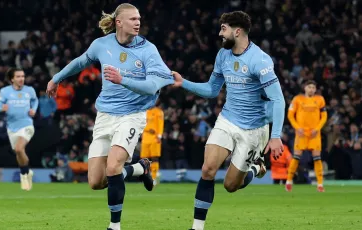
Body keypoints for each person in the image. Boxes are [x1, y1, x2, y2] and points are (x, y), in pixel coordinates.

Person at [45, 3, 178, 230]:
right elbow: (81, 61)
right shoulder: (101, 45)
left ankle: (114, 226)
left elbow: (153, 86)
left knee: (114, 167)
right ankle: (140, 168)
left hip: (132, 115)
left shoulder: (148, 50)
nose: (138, 22)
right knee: (96, 182)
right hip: (105, 115)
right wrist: (56, 78)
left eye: (139, 19)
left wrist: (122, 80)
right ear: (119, 22)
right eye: (133, 19)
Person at [171, 11, 285, 230]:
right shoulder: (223, 56)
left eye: (223, 29)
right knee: (208, 169)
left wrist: (276, 136)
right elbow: (212, 90)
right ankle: (197, 227)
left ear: (237, 31)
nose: (219, 33)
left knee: (231, 185)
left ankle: (255, 167)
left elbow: (278, 100)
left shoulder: (260, 60)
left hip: (254, 129)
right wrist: (183, 82)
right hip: (227, 120)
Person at [0, 68, 38, 191]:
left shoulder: (30, 90)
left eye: (23, 76)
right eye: (18, 76)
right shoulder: (5, 92)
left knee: (19, 148)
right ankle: (26, 172)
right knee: (19, 152)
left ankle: (23, 176)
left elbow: (35, 101)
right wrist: (3, 108)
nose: (21, 79)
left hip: (27, 125)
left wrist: (33, 109)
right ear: (12, 79)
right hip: (12, 128)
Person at [286, 80, 327, 192]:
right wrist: (297, 127)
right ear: (305, 88)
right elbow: (290, 115)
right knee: (296, 157)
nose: (311, 89)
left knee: (317, 158)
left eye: (313, 87)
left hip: (314, 133)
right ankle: (289, 181)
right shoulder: (297, 99)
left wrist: (317, 129)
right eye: (309, 87)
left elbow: (324, 116)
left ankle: (320, 184)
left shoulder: (320, 99)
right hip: (301, 133)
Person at [140, 101, 164, 184]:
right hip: (145, 137)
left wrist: (159, 136)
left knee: (154, 157)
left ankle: (154, 177)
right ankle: (146, 177)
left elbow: (160, 124)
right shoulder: (144, 111)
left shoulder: (158, 112)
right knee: (144, 159)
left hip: (154, 137)